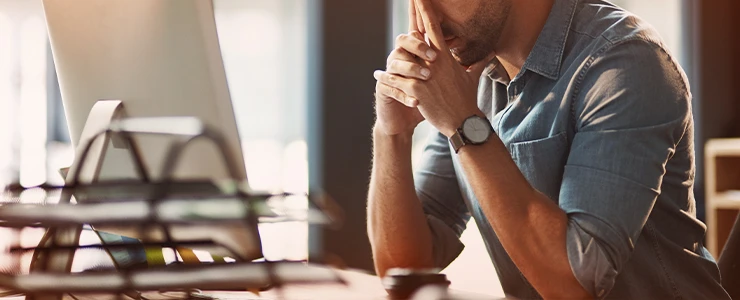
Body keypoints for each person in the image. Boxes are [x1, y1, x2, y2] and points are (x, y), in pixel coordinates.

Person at [366, 0, 731, 298]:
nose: (423, 13)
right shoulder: (473, 76)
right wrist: (392, 132)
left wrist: (464, 123)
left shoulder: (626, 63)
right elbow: (405, 268)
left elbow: (577, 284)